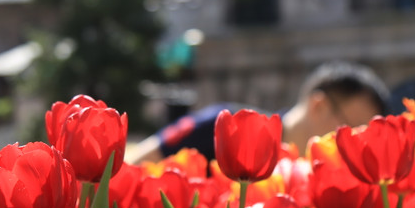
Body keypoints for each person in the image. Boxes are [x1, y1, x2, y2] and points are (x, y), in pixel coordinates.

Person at [130, 61, 389, 162]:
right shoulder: (225, 126)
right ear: (318, 105)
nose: (355, 147)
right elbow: (137, 164)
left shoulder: (328, 186)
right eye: (351, 129)